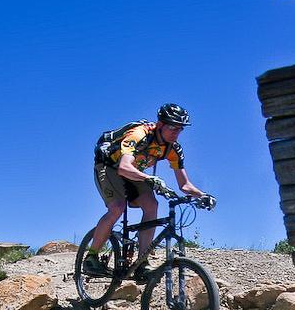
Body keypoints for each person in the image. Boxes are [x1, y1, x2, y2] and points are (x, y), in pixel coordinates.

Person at [85, 103, 207, 280]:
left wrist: (203, 195)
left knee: (152, 205)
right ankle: (91, 257)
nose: (176, 133)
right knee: (117, 207)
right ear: (160, 124)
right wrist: (150, 179)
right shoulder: (139, 134)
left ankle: (142, 263)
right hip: (110, 166)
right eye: (172, 127)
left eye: (180, 129)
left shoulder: (173, 149)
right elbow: (124, 167)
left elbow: (184, 185)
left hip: (133, 172)